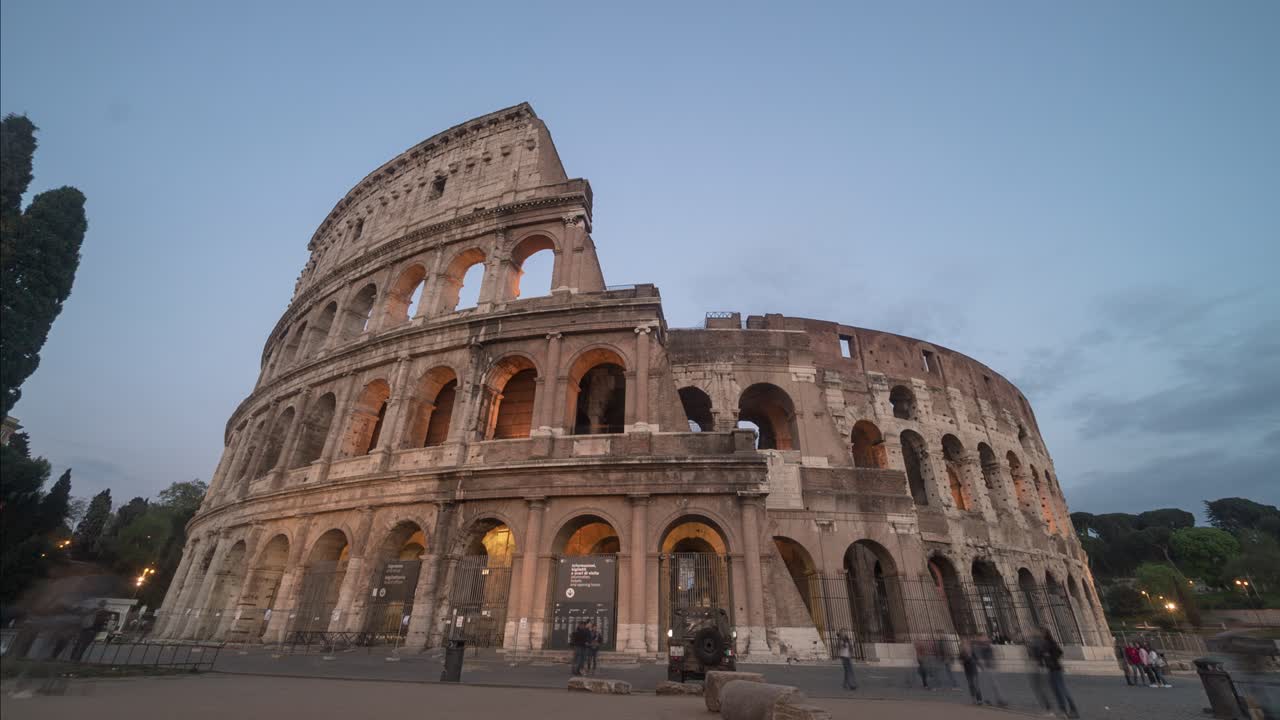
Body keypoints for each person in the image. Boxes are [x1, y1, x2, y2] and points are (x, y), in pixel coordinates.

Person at [1040, 629, 1080, 718]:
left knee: (1060, 691)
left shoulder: (1048, 643)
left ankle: (1067, 710)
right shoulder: (1049, 643)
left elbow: (1057, 653)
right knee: (1060, 690)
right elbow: (1058, 652)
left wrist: (1050, 658)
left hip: (1054, 669)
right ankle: (1069, 710)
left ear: (1044, 634)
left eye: (1041, 634)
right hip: (1054, 669)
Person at [975, 635, 1006, 706]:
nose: (986, 643)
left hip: (990, 667)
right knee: (991, 685)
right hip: (986, 668)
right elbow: (979, 658)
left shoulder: (989, 647)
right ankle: (995, 700)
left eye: (987, 641)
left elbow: (993, 656)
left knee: (994, 685)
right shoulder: (980, 648)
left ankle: (996, 699)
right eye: (984, 642)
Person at [960, 640, 983, 705]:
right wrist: (967, 658)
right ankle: (973, 699)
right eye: (964, 646)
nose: (966, 647)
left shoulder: (972, 652)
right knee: (971, 685)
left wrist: (980, 665)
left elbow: (976, 659)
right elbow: (962, 662)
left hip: (974, 671)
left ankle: (979, 699)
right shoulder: (962, 654)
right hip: (967, 672)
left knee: (976, 685)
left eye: (967, 645)